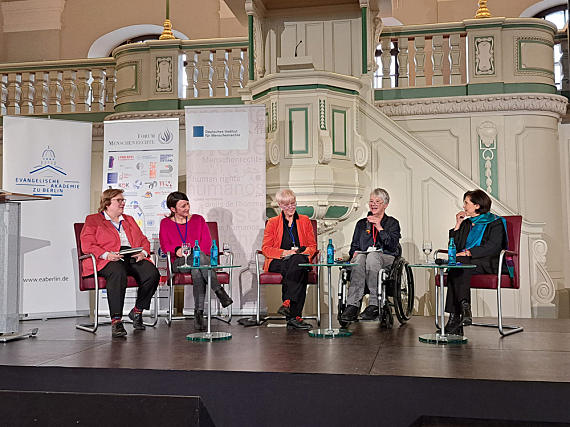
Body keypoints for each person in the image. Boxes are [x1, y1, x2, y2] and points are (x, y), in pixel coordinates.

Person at [80, 189, 160, 338]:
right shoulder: (93, 220)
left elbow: (143, 240)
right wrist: (106, 255)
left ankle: (137, 311)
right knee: (117, 272)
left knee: (152, 273)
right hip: (106, 258)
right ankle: (116, 321)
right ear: (107, 203)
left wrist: (143, 253)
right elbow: (87, 244)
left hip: (130, 255)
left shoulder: (128, 219)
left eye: (123, 200)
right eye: (119, 200)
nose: (123, 203)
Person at [159, 191, 233, 331]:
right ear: (173, 209)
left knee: (197, 270)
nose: (187, 208)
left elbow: (206, 244)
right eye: (182, 206)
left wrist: (194, 252)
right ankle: (218, 291)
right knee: (198, 262)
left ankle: (198, 314)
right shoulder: (165, 223)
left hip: (198, 261)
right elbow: (164, 245)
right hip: (179, 262)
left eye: (187, 204)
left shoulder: (198, 220)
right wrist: (176, 250)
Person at [444, 189, 510, 334]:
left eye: (466, 203)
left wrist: (469, 252)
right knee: (457, 266)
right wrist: (457, 224)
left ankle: (455, 318)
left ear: (477, 205)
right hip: (467, 263)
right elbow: (455, 246)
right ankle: (463, 310)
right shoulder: (467, 224)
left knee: (457, 266)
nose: (464, 206)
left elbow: (493, 246)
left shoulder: (495, 222)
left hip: (488, 261)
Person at [341, 188, 402, 323]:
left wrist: (380, 228)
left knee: (373, 256)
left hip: (386, 258)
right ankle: (353, 305)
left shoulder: (392, 223)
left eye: (377, 202)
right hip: (365, 260)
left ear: (385, 205)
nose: (373, 204)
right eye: (371, 201)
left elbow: (392, 246)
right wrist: (354, 253)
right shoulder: (361, 224)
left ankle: (375, 303)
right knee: (361, 257)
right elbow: (354, 246)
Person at [261, 189, 317, 330]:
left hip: (298, 259)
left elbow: (312, 246)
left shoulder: (304, 220)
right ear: (280, 205)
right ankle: (295, 316)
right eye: (286, 205)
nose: (290, 208)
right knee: (299, 268)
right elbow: (266, 248)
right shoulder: (273, 222)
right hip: (278, 261)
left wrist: (303, 254)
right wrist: (284, 252)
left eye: (293, 204)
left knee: (298, 262)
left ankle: (287, 304)